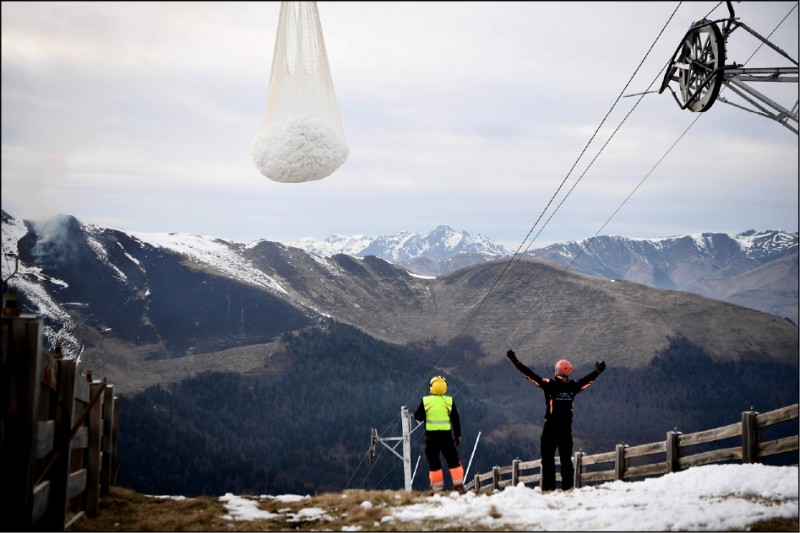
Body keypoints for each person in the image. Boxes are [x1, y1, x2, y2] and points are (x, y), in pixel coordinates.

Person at [505, 349, 606, 492]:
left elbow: (530, 375)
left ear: (557, 371)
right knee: (566, 461)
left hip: (550, 428)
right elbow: (587, 380)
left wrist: (515, 361)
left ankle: (548, 489)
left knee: (548, 460)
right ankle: (568, 489)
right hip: (566, 430)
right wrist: (598, 370)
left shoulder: (550, 385)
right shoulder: (573, 386)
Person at [413, 375, 465, 492]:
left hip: (431, 438)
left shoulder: (426, 401)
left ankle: (436, 488)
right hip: (446, 437)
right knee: (452, 460)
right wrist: (457, 436)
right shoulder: (449, 401)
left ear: (431, 387)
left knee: (434, 462)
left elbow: (417, 416)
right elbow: (455, 420)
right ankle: (458, 486)